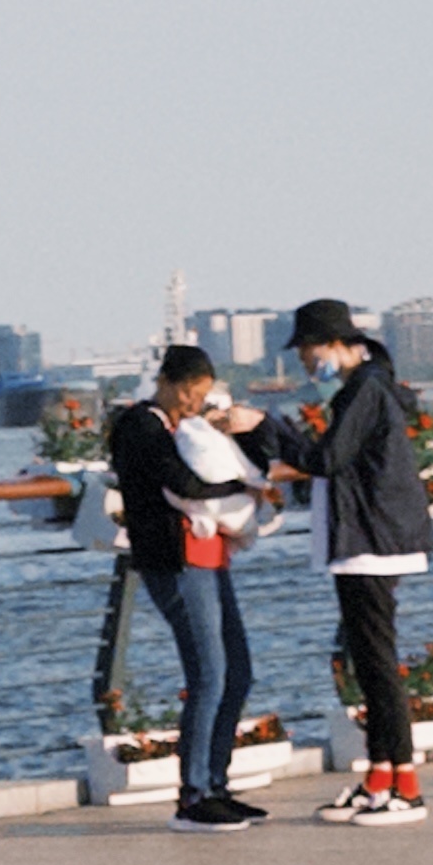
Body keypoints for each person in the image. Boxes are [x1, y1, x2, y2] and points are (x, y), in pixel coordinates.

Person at [264, 298, 433, 825]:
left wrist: (266, 429)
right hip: (367, 539)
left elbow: (325, 459)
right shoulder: (366, 387)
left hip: (373, 541)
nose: (305, 362)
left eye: (308, 350)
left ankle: (407, 784)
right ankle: (379, 776)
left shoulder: (363, 389)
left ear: (335, 344)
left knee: (378, 664)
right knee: (366, 658)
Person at [106, 345, 267, 828]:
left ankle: (217, 782)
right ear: (177, 385)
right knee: (209, 673)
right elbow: (184, 483)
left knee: (238, 670)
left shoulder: (188, 427)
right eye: (195, 394)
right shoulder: (142, 427)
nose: (198, 403)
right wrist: (242, 490)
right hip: (174, 564)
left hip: (212, 558)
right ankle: (193, 795)